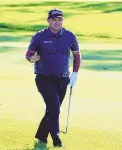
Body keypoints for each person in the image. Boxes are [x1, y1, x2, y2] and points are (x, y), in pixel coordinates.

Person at [25, 8, 81, 148]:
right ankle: (57, 140)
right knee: (55, 108)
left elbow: (76, 55)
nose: (57, 22)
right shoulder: (39, 36)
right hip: (44, 78)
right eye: (54, 20)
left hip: (63, 79)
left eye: (59, 19)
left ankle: (41, 137)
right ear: (48, 21)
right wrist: (32, 59)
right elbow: (29, 54)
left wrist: (75, 73)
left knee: (51, 109)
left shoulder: (69, 36)